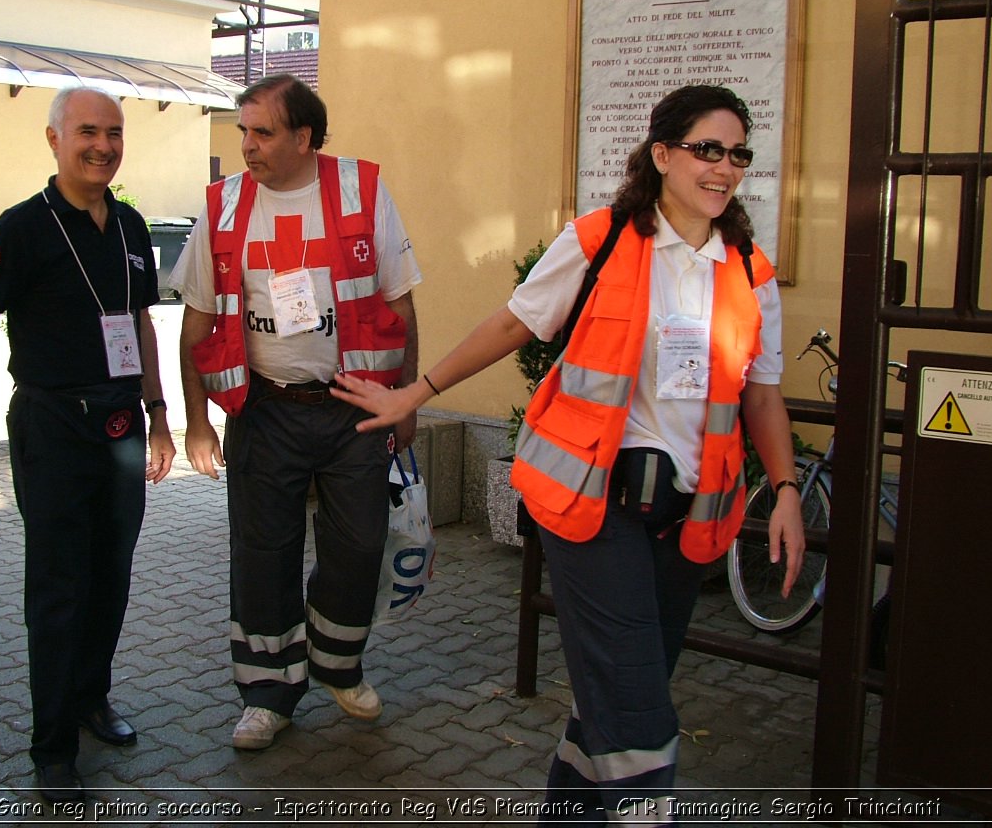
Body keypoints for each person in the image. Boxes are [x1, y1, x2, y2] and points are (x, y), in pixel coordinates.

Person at [331, 84, 805, 822]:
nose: (725, 167)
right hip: (591, 502)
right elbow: (513, 325)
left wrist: (786, 491)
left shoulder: (748, 270)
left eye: (738, 153)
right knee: (640, 708)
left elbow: (763, 395)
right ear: (661, 155)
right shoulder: (599, 240)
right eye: (707, 148)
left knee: (613, 697)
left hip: (690, 515)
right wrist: (414, 392)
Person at [0, 86, 175, 803]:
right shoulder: (22, 229)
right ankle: (52, 746)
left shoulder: (131, 226)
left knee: (113, 572)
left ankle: (92, 697)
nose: (102, 145)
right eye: (87, 132)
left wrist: (160, 416)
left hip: (122, 426)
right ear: (54, 139)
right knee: (59, 587)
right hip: (53, 427)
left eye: (114, 132)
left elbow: (141, 325)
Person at [169, 73, 422, 751]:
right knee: (262, 554)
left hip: (353, 406)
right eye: (242, 129)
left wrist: (406, 399)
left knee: (360, 546)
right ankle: (267, 693)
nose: (245, 144)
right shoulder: (222, 206)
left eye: (262, 132)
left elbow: (399, 304)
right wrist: (196, 421)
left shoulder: (362, 192)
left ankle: (338, 665)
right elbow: (194, 324)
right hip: (264, 408)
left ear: (304, 137)